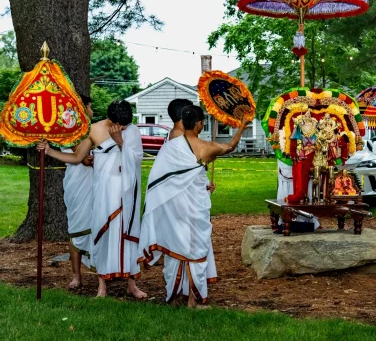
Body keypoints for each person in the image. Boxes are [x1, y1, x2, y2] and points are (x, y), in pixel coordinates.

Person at [138, 105, 247, 308]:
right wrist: (242, 126)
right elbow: (230, 146)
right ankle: (192, 300)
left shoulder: (170, 145)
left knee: (175, 246)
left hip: (174, 209)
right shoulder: (207, 147)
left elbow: (159, 181)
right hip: (194, 208)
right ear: (199, 124)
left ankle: (174, 294)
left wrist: (204, 187)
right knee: (196, 249)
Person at [38, 100, 146, 299]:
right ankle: (102, 286)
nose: (123, 128)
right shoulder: (94, 129)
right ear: (110, 118)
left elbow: (137, 159)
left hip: (127, 191)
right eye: (119, 124)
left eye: (126, 125)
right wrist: (50, 151)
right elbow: (78, 157)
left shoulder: (133, 132)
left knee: (128, 235)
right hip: (104, 192)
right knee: (103, 235)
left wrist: (120, 140)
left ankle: (132, 284)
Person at [62, 94, 94, 289]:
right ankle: (76, 276)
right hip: (77, 181)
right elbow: (83, 159)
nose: (92, 111)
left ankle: (100, 271)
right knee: (77, 227)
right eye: (90, 107)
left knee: (95, 223)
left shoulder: (89, 129)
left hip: (92, 181)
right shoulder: (72, 128)